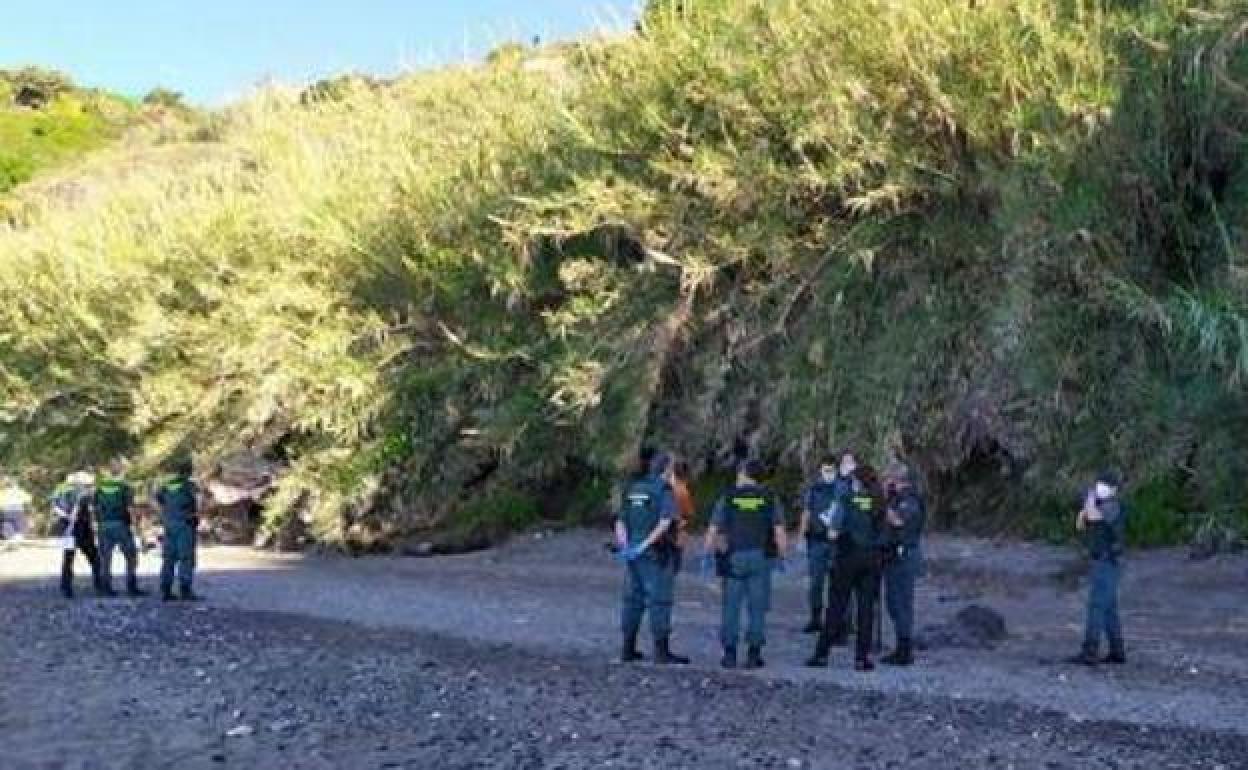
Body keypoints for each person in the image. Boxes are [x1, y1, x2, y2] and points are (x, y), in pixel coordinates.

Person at [705, 459, 787, 669]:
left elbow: (713, 530)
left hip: (734, 556)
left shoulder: (728, 497)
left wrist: (710, 556)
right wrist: (781, 555)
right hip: (761, 556)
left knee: (731, 606)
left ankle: (729, 654)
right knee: (758, 607)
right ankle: (754, 654)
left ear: (743, 474)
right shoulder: (770, 498)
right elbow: (779, 531)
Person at [806, 451, 883, 671]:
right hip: (871, 558)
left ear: (856, 481)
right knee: (866, 609)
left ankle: (822, 654)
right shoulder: (878, 501)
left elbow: (832, 532)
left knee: (836, 606)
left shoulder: (846, 499)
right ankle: (862, 658)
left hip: (847, 556)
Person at [616, 450, 689, 665]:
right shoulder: (663, 490)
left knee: (632, 600)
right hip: (656, 554)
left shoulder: (634, 488)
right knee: (659, 601)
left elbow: (620, 521)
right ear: (667, 469)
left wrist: (627, 546)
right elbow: (666, 521)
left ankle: (627, 648)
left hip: (633, 553)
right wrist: (647, 544)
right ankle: (661, 651)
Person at [1068, 471, 1128, 665]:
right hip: (1103, 561)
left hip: (1107, 562)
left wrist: (1089, 499)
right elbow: (1081, 524)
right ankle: (1117, 651)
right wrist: (1086, 506)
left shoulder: (1113, 506)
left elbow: (1093, 516)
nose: (1099, 488)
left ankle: (1090, 650)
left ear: (1114, 489)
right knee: (1109, 609)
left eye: (1104, 485)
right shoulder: (1103, 505)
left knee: (1097, 607)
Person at [880, 463, 926, 666]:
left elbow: (898, 521)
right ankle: (901, 644)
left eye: (888, 479)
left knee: (902, 602)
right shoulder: (896, 499)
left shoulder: (909, 500)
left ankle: (905, 648)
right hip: (893, 556)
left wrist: (881, 504)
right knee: (893, 601)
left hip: (904, 556)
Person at [797, 457, 846, 634]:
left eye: (831, 470)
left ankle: (838, 621)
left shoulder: (843, 488)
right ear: (820, 470)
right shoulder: (814, 489)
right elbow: (807, 512)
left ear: (836, 470)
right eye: (825, 470)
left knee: (838, 583)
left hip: (837, 543)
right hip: (817, 541)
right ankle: (815, 618)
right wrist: (801, 537)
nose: (828, 474)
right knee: (816, 583)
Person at [94, 460, 146, 597]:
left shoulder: (99, 488)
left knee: (105, 558)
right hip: (121, 525)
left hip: (103, 525)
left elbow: (94, 508)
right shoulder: (125, 488)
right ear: (121, 471)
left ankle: (106, 588)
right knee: (130, 556)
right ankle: (131, 587)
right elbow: (130, 509)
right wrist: (138, 529)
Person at [51, 471, 105, 598]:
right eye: (87, 484)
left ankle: (66, 587)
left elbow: (55, 507)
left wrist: (65, 516)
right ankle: (98, 586)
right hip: (78, 529)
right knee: (92, 558)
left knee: (69, 558)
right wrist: (70, 516)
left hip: (70, 528)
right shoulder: (80, 492)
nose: (89, 486)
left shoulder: (61, 490)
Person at [156, 459, 201, 601]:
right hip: (185, 524)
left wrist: (168, 513)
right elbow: (200, 501)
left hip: (169, 524)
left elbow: (158, 499)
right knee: (186, 558)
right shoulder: (189, 485)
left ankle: (166, 590)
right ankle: (185, 590)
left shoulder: (167, 485)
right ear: (189, 471)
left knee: (169, 558)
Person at [669, 459, 696, 574]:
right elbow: (689, 514)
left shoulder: (667, 488)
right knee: (674, 563)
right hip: (677, 532)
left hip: (665, 531)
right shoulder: (683, 491)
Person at [0, 474, 32, 541]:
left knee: (7, 523)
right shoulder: (17, 490)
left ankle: (10, 535)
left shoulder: (2, 491)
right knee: (18, 525)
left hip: (6, 510)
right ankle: (17, 536)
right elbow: (28, 499)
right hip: (17, 510)